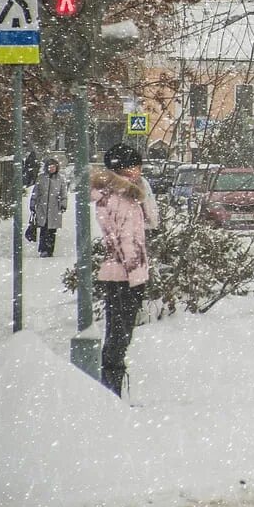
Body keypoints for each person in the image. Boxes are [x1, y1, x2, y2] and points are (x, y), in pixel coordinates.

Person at [91, 143, 150, 397]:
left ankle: (111, 388)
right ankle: (111, 391)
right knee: (119, 336)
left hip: (116, 273)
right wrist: (137, 275)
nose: (139, 171)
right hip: (126, 275)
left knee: (116, 333)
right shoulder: (122, 199)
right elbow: (128, 241)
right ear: (124, 169)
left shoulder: (111, 195)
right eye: (136, 166)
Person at [29, 158, 67, 257]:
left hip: (54, 208)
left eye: (53, 167)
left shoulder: (60, 179)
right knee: (43, 229)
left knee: (52, 231)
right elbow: (35, 192)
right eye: (50, 167)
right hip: (42, 208)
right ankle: (43, 249)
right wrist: (33, 204)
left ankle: (49, 250)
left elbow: (63, 193)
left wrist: (63, 204)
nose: (51, 169)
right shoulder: (41, 178)